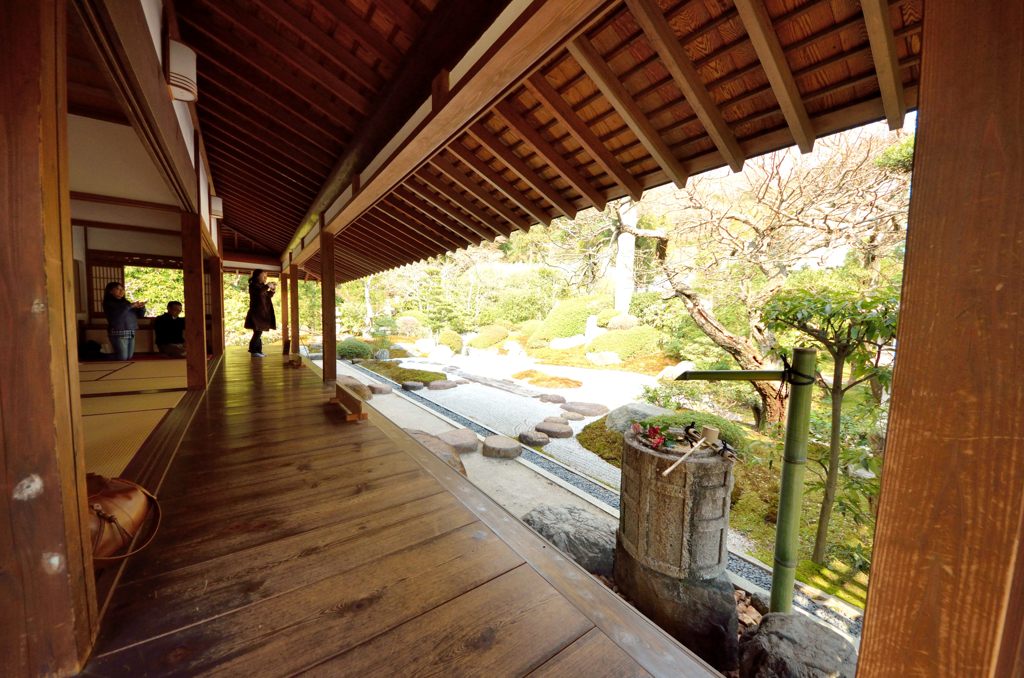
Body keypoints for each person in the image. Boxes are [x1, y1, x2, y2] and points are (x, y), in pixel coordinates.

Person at [103, 281, 146, 361]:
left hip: (130, 330)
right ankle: (102, 358)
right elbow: (118, 313)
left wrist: (142, 308)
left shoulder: (126, 302)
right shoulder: (108, 303)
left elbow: (139, 315)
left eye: (122, 289)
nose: (121, 291)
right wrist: (131, 305)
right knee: (122, 357)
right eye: (118, 289)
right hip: (118, 331)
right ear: (110, 291)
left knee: (129, 357)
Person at [244, 269, 276, 357]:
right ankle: (254, 351)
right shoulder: (253, 285)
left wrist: (272, 290)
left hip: (262, 312)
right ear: (258, 276)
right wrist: (267, 286)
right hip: (256, 312)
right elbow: (259, 292)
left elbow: (266, 296)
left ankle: (258, 351)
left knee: (258, 331)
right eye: (263, 275)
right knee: (258, 332)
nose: (264, 277)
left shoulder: (261, 285)